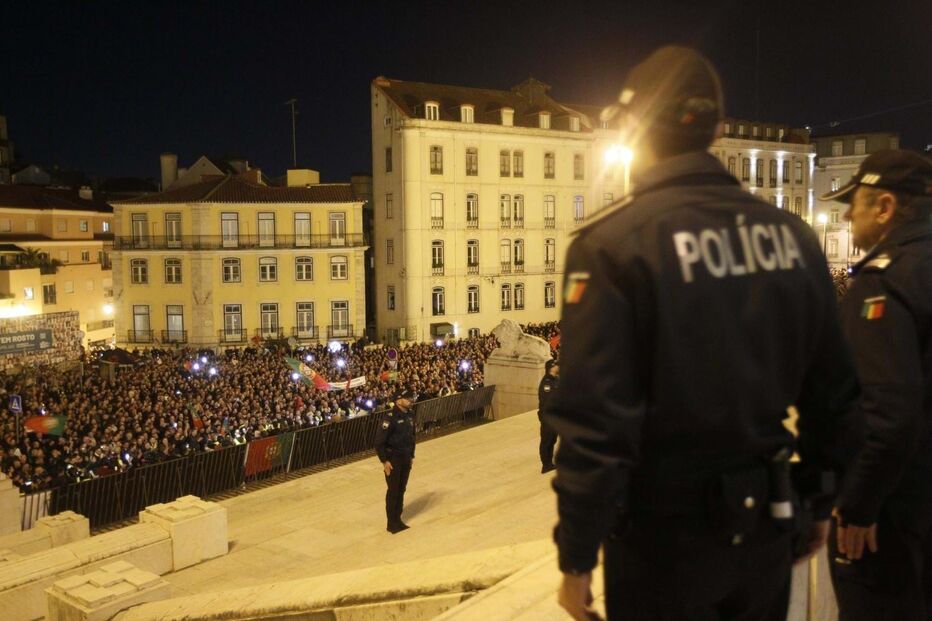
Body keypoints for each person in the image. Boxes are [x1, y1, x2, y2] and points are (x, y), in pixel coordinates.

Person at [544, 46, 859, 620]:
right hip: (765, 523)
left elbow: (596, 422)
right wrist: (818, 500)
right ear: (717, 129)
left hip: (661, 543)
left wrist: (576, 556)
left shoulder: (612, 246)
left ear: (634, 128)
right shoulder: (791, 237)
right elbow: (835, 395)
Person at [821, 149, 932, 620]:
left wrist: (859, 505)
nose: (848, 215)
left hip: (895, 512)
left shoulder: (886, 280)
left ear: (885, 207)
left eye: (855, 204)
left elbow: (888, 413)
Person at [374, 389, 417, 533]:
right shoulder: (390, 418)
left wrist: (411, 455)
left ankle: (398, 519)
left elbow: (412, 437)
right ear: (398, 400)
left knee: (401, 489)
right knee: (393, 491)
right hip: (393, 460)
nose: (410, 400)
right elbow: (379, 442)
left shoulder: (410, 415)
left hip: (405, 457)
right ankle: (391, 523)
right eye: (407, 398)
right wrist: (384, 461)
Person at [538, 359, 559, 473]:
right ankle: (546, 465)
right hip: (548, 417)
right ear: (551, 368)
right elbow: (547, 401)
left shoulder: (555, 379)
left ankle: (550, 463)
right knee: (546, 441)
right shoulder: (546, 383)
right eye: (557, 365)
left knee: (552, 440)